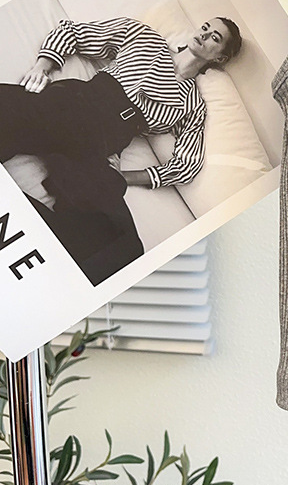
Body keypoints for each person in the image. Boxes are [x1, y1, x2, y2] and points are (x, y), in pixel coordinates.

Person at [0, 16, 243, 285]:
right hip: (72, 105)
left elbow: (187, 165)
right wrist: (42, 67)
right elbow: (72, 32)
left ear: (220, 58)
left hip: (99, 144)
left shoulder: (192, 105)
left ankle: (22, 223)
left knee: (124, 250)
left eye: (215, 38)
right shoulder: (144, 37)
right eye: (205, 28)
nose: (204, 35)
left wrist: (124, 177)